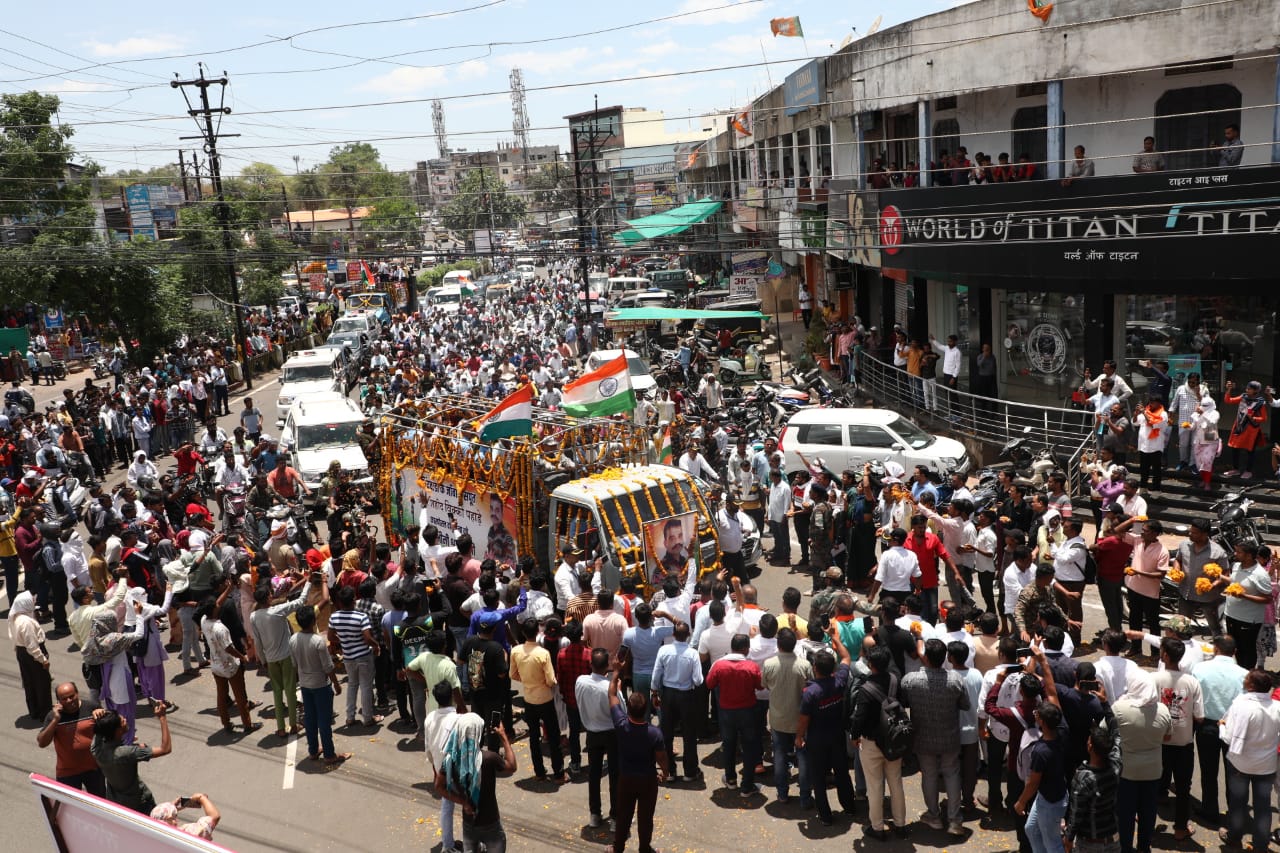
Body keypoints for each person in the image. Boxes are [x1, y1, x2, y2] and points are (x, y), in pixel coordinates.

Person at [900, 637, 969, 836]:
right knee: (952, 774)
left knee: (929, 775)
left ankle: (934, 815)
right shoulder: (956, 680)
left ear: (926, 657)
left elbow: (903, 701)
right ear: (945, 657)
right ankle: (955, 821)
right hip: (950, 737)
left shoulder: (911, 680)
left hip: (923, 738)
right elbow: (965, 705)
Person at [796, 624, 857, 826]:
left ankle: (825, 815)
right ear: (833, 668)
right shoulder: (839, 681)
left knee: (819, 779)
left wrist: (798, 737)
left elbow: (804, 719)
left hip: (817, 740)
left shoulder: (810, 693)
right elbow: (846, 658)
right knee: (842, 774)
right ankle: (849, 806)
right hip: (837, 736)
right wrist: (835, 639)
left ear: (814, 668)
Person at [608, 652, 668, 853]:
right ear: (645, 711)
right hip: (648, 780)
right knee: (645, 817)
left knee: (624, 814)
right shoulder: (654, 733)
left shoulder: (621, 724)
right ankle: (644, 848)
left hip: (626, 778)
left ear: (629, 711)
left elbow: (612, 695)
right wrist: (665, 773)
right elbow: (661, 758)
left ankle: (618, 848)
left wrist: (617, 671)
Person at [850, 644, 908, 839]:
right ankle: (900, 824)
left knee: (875, 787)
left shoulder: (865, 689)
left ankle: (877, 828)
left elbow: (859, 718)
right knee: (896, 783)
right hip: (893, 739)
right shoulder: (894, 680)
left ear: (870, 664)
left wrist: (854, 736)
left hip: (872, 743)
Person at [436, 712, 516, 853]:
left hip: (469, 824)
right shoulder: (489, 758)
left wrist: (462, 801)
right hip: (491, 824)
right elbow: (512, 766)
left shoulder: (451, 760)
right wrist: (503, 736)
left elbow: (439, 786)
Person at [1219, 669, 1280, 852]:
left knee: (1238, 803)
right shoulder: (1276, 707)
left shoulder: (1241, 706)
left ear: (1252, 686)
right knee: (1263, 807)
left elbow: (1230, 738)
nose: (1244, 680)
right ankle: (1261, 844)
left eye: (1247, 679)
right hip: (1267, 766)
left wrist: (1222, 727)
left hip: (1241, 764)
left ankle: (1234, 836)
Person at [250, 575, 316, 738]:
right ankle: (293, 725)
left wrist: (263, 660)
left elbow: (257, 641)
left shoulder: (254, 617)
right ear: (268, 597)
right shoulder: (277, 611)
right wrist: (308, 583)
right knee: (290, 690)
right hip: (286, 656)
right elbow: (300, 602)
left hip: (271, 659)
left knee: (277, 692)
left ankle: (280, 728)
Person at [1113, 669, 1171, 853]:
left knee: (1125, 814)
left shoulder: (1119, 709)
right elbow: (1167, 737)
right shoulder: (1162, 710)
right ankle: (1144, 847)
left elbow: (1105, 731)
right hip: (1153, 771)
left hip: (1126, 771)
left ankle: (1126, 848)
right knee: (1148, 812)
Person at [1152, 637, 1204, 841]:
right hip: (1183, 744)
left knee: (1151, 784)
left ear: (1164, 655)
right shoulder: (1192, 682)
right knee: (1183, 789)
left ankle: (1145, 821)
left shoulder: (1154, 679)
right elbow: (1199, 716)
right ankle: (1181, 828)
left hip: (1158, 743)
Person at [1193, 635, 1246, 827]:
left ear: (1215, 649)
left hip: (1206, 725)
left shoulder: (1199, 669)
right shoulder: (1244, 674)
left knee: (1208, 771)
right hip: (1233, 727)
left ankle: (1210, 810)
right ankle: (1235, 814)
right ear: (1235, 652)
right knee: (1233, 773)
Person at [705, 632, 763, 796]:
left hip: (726, 713)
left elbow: (709, 683)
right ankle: (747, 785)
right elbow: (760, 686)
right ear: (745, 649)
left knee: (729, 746)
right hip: (747, 712)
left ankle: (730, 779)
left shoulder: (719, 665)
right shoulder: (751, 667)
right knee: (749, 747)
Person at [291, 604, 350, 764]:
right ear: (313, 621)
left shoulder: (294, 639)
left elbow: (294, 664)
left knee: (310, 719)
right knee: (324, 721)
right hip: (321, 685)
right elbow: (328, 667)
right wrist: (336, 684)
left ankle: (313, 750)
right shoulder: (317, 641)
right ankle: (330, 754)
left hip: (305, 684)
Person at [509, 619, 566, 782]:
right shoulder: (543, 653)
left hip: (529, 699)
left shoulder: (516, 651)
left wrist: (528, 681)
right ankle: (559, 773)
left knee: (534, 737)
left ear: (523, 633)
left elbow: (512, 674)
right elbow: (551, 680)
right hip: (545, 699)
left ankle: (539, 772)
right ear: (537, 633)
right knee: (554, 737)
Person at [90, 705, 171, 814]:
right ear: (118, 731)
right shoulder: (127, 752)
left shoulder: (97, 750)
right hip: (140, 804)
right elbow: (165, 749)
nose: (125, 720)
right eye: (123, 721)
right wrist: (162, 718)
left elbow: (100, 730)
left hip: (117, 805)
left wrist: (99, 716)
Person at [650, 620, 703, 783]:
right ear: (688, 635)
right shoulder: (693, 653)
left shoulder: (664, 650)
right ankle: (690, 771)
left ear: (673, 634)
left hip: (668, 695)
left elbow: (656, 675)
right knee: (689, 734)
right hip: (686, 696)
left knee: (667, 734)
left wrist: (655, 691)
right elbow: (698, 680)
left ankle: (670, 771)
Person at [36, 681, 107, 796]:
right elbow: (42, 743)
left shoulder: (91, 707)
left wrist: (103, 714)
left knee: (100, 804)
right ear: (58, 701)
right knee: (69, 807)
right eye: (64, 699)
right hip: (67, 772)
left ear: (77, 693)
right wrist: (55, 720)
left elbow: (111, 727)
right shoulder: (53, 716)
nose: (69, 701)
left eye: (71, 696)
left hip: (94, 769)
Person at [1065, 720, 1123, 853]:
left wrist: (1068, 838)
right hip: (1113, 838)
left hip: (1090, 843)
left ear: (1090, 746)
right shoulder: (1115, 767)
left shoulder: (1083, 778)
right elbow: (1118, 739)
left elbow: (1076, 815)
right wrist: (1106, 707)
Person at [576, 647, 618, 829]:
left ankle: (594, 814)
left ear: (590, 664)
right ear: (607, 665)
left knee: (594, 774)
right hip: (611, 733)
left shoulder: (581, 682)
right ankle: (616, 817)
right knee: (616, 775)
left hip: (592, 733)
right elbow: (620, 710)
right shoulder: (609, 688)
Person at [423, 680, 463, 852]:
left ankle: (447, 845)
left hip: (441, 770)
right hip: (460, 770)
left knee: (447, 806)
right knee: (469, 804)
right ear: (452, 697)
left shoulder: (430, 718)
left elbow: (428, 749)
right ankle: (473, 842)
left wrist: (435, 769)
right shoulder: (459, 720)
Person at [9, 590, 52, 721]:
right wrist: (43, 660)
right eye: (31, 600)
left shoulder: (16, 617)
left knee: (30, 682)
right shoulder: (26, 622)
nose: (33, 601)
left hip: (22, 653)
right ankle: (45, 713)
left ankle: (35, 710)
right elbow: (32, 645)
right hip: (32, 654)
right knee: (42, 683)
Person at [1223, 379, 1267, 478]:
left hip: (1252, 430)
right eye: (1247, 387)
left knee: (1250, 451)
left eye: (1249, 388)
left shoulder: (1260, 402)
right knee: (1235, 448)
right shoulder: (1243, 397)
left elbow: (1264, 418)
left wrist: (1253, 417)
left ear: (1255, 391)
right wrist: (1228, 390)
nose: (1247, 389)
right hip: (1239, 426)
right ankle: (1236, 469)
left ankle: (1248, 471)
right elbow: (1228, 400)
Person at [150, 793, 221, 841]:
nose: (176, 820)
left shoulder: (151, 838)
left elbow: (160, 814)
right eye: (174, 817)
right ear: (169, 819)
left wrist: (171, 807)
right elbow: (214, 817)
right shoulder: (187, 833)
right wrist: (201, 798)